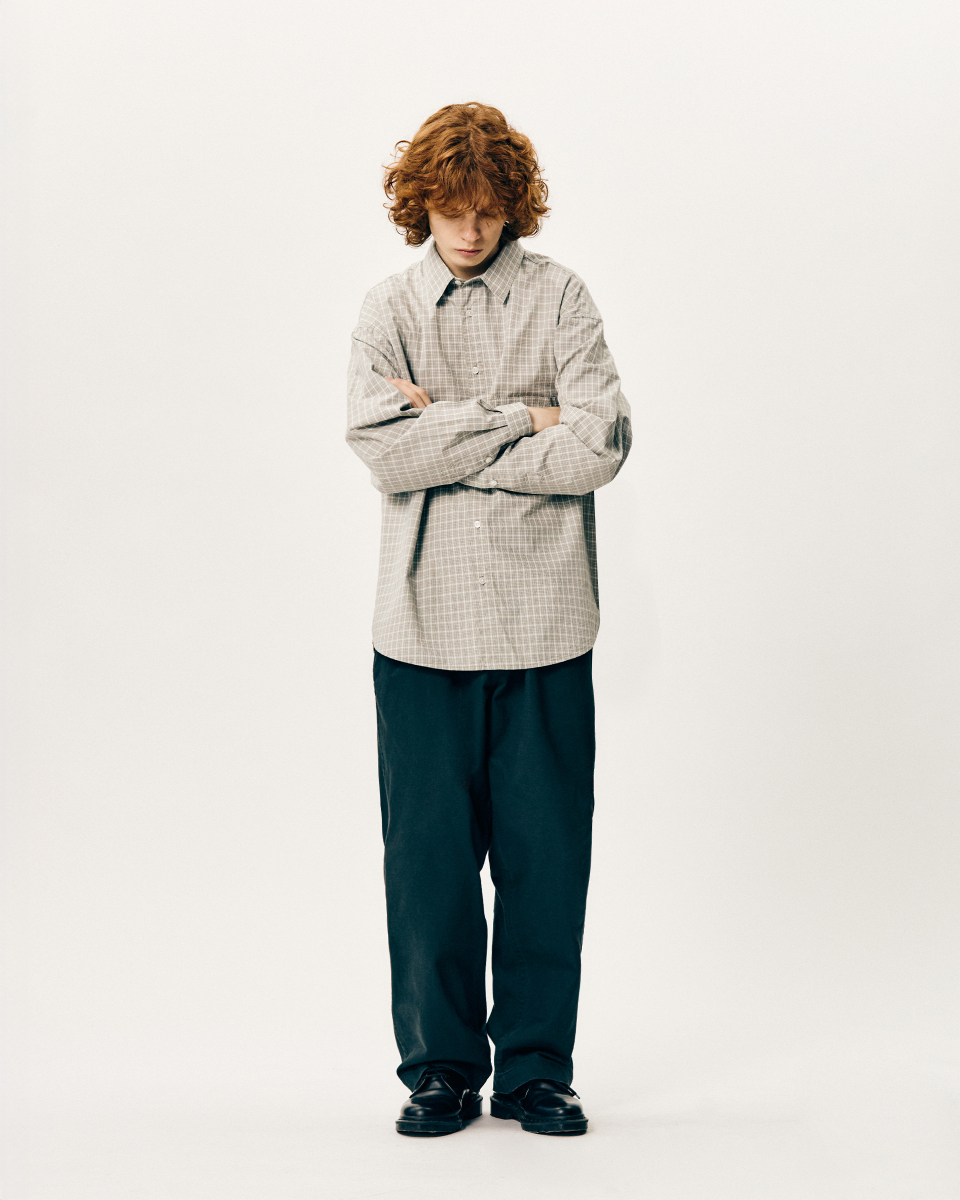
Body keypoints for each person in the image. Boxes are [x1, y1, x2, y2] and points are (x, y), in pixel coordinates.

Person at [345, 102, 632, 1137]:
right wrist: (522, 418)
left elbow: (599, 444)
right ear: (419, 205)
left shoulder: (561, 298)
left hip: (547, 626)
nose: (469, 231)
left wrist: (446, 426)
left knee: (547, 862)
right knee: (426, 868)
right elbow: (383, 448)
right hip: (421, 630)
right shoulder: (388, 309)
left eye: (487, 211)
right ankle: (440, 1070)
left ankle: (537, 1071)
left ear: (515, 207)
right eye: (450, 210)